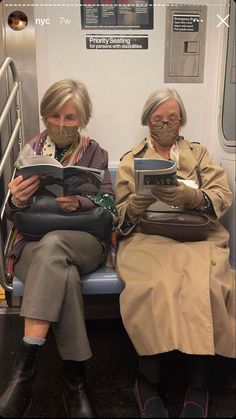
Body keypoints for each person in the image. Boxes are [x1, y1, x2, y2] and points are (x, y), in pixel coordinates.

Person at [115, 87, 235, 418]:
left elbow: (222, 194)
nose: (166, 124)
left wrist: (193, 197)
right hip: (149, 236)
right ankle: (148, 380)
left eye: (173, 118)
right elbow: (120, 218)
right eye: (158, 119)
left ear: (181, 121)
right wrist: (137, 202)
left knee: (208, 284)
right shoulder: (131, 160)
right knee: (153, 284)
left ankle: (199, 384)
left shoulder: (199, 154)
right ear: (147, 121)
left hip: (199, 236)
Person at [0, 79, 116, 418]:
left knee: (56, 249)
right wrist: (17, 201)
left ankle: (23, 376)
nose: (61, 125)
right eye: (54, 116)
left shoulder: (97, 152)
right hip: (34, 246)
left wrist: (80, 201)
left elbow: (110, 207)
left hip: (82, 241)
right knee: (57, 265)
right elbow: (10, 214)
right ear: (44, 115)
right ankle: (75, 382)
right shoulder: (29, 152)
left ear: (82, 118)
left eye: (70, 118)